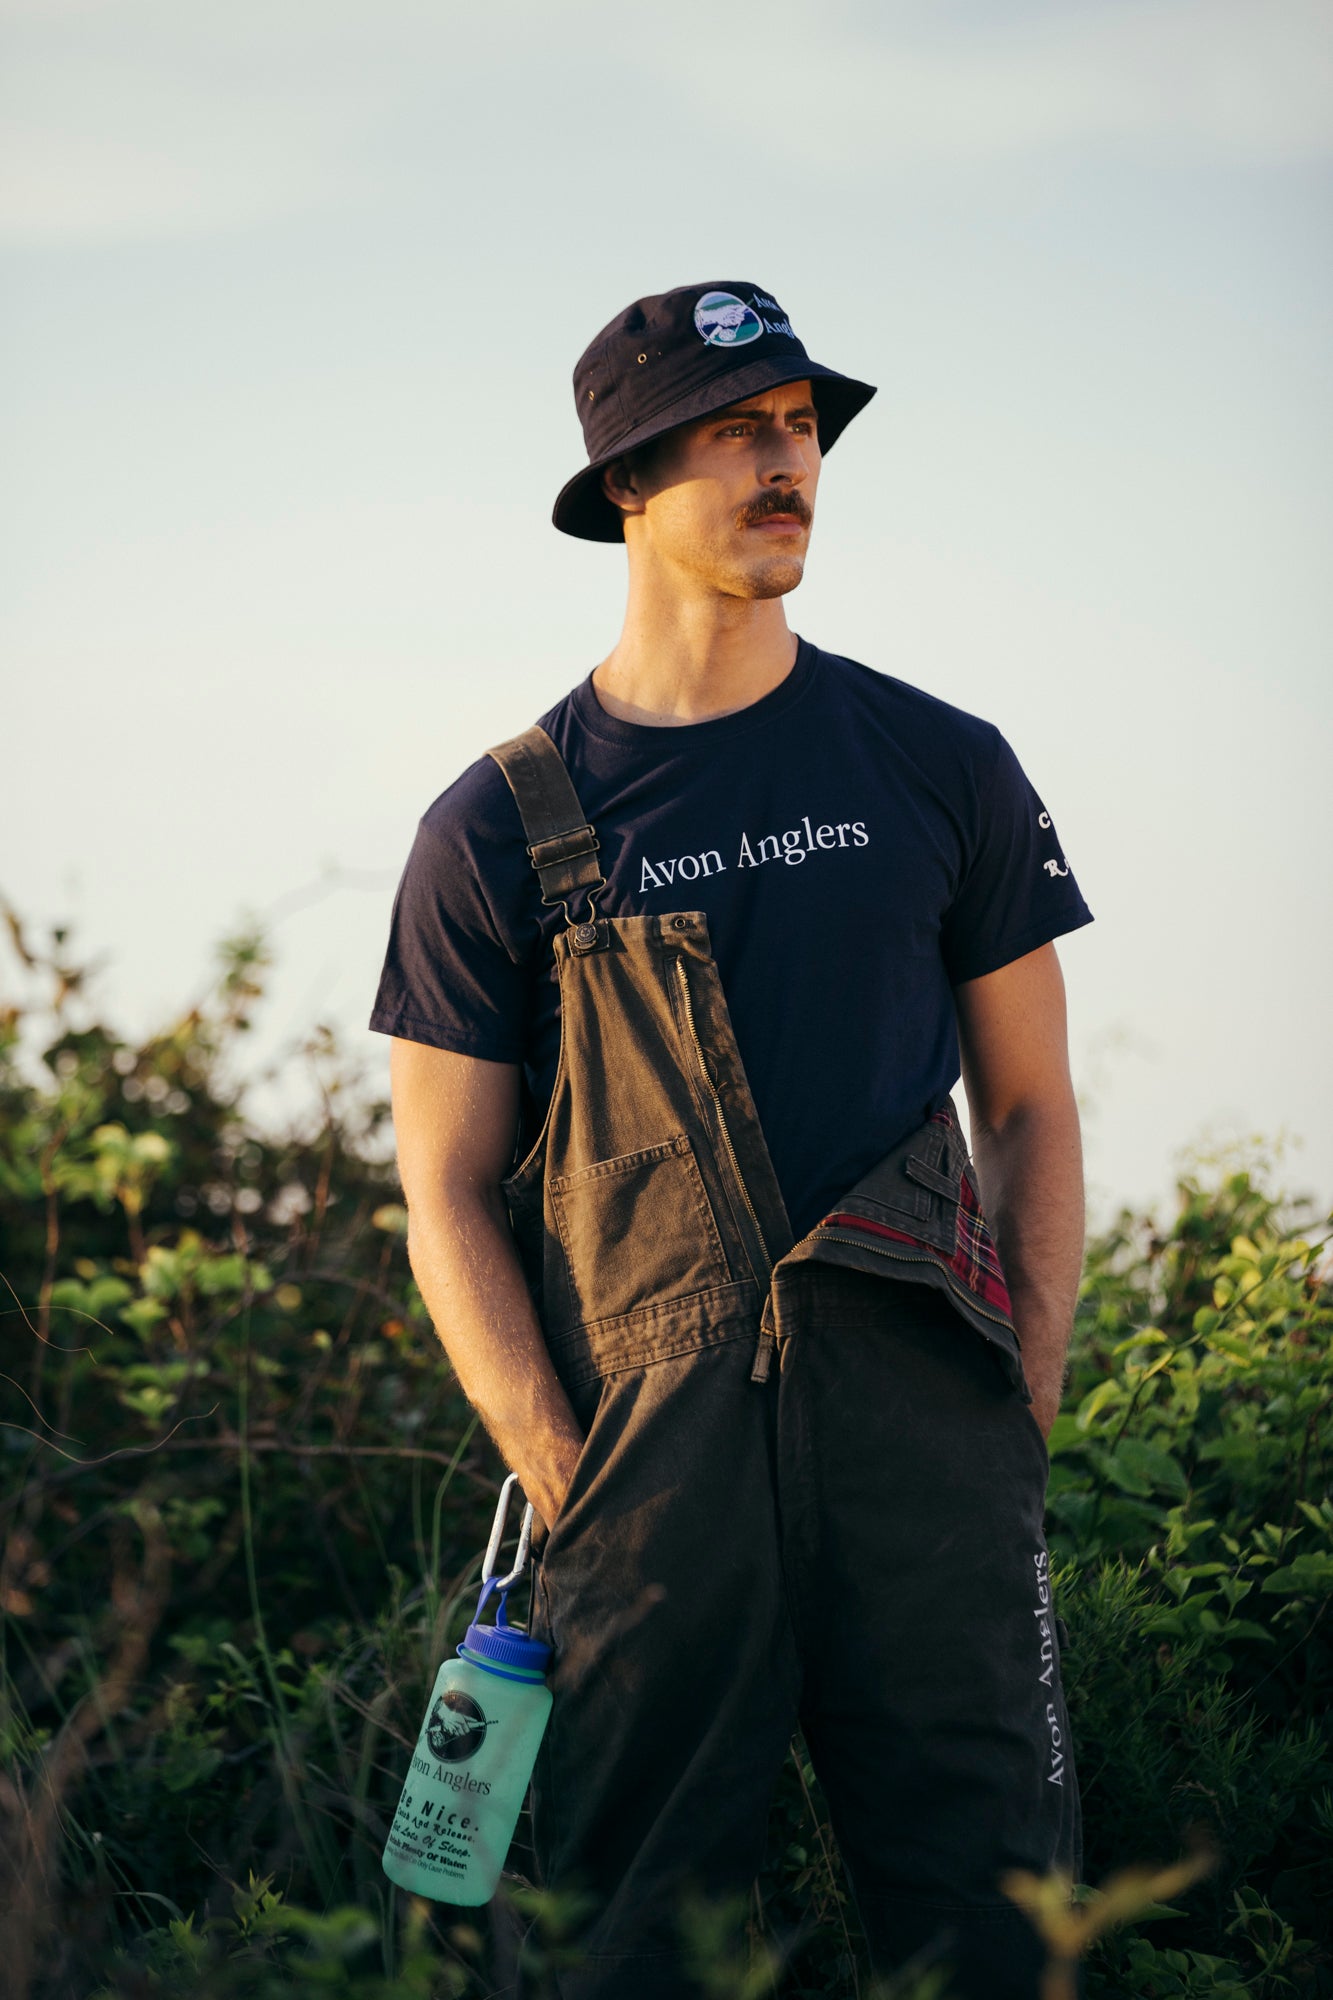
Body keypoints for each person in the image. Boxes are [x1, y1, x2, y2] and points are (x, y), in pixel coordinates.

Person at [371, 280, 1094, 2000]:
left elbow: (1029, 1108)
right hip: (649, 1477)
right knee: (640, 1943)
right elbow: (443, 1190)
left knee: (997, 1922)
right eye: (730, 432)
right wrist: (565, 1464)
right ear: (626, 484)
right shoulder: (495, 828)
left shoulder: (937, 761)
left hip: (925, 1441)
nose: (786, 464)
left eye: (798, 427)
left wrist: (1018, 1398)